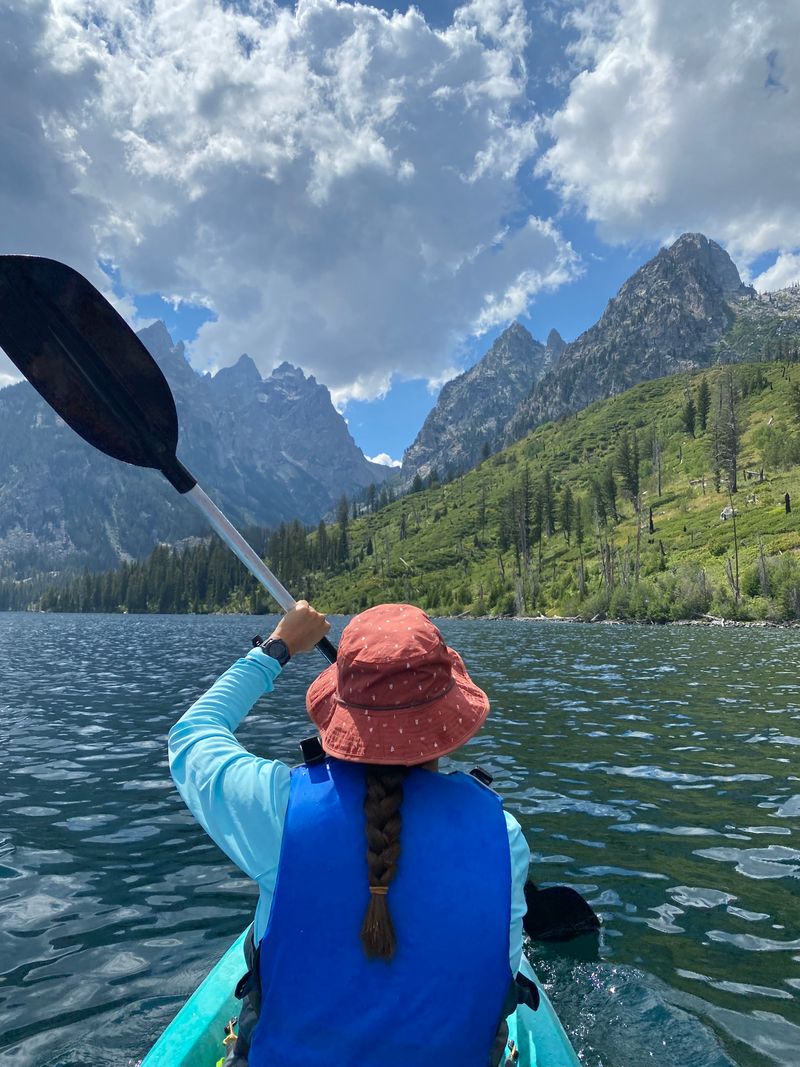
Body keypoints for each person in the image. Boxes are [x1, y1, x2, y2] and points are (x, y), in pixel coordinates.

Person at [168, 602, 531, 1066]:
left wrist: (277, 648)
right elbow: (492, 968)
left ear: (339, 713)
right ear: (449, 724)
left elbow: (193, 734)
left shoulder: (278, 811)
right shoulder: (504, 837)